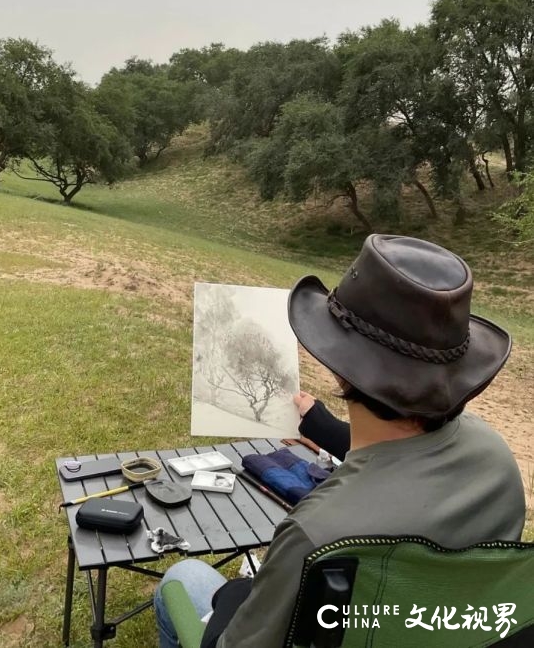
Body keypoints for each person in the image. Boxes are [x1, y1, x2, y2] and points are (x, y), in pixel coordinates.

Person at [153, 234, 526, 648]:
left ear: (342, 368)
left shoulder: (318, 536)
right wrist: (319, 424)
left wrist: (234, 599)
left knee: (183, 579)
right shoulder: (496, 460)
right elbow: (401, 456)